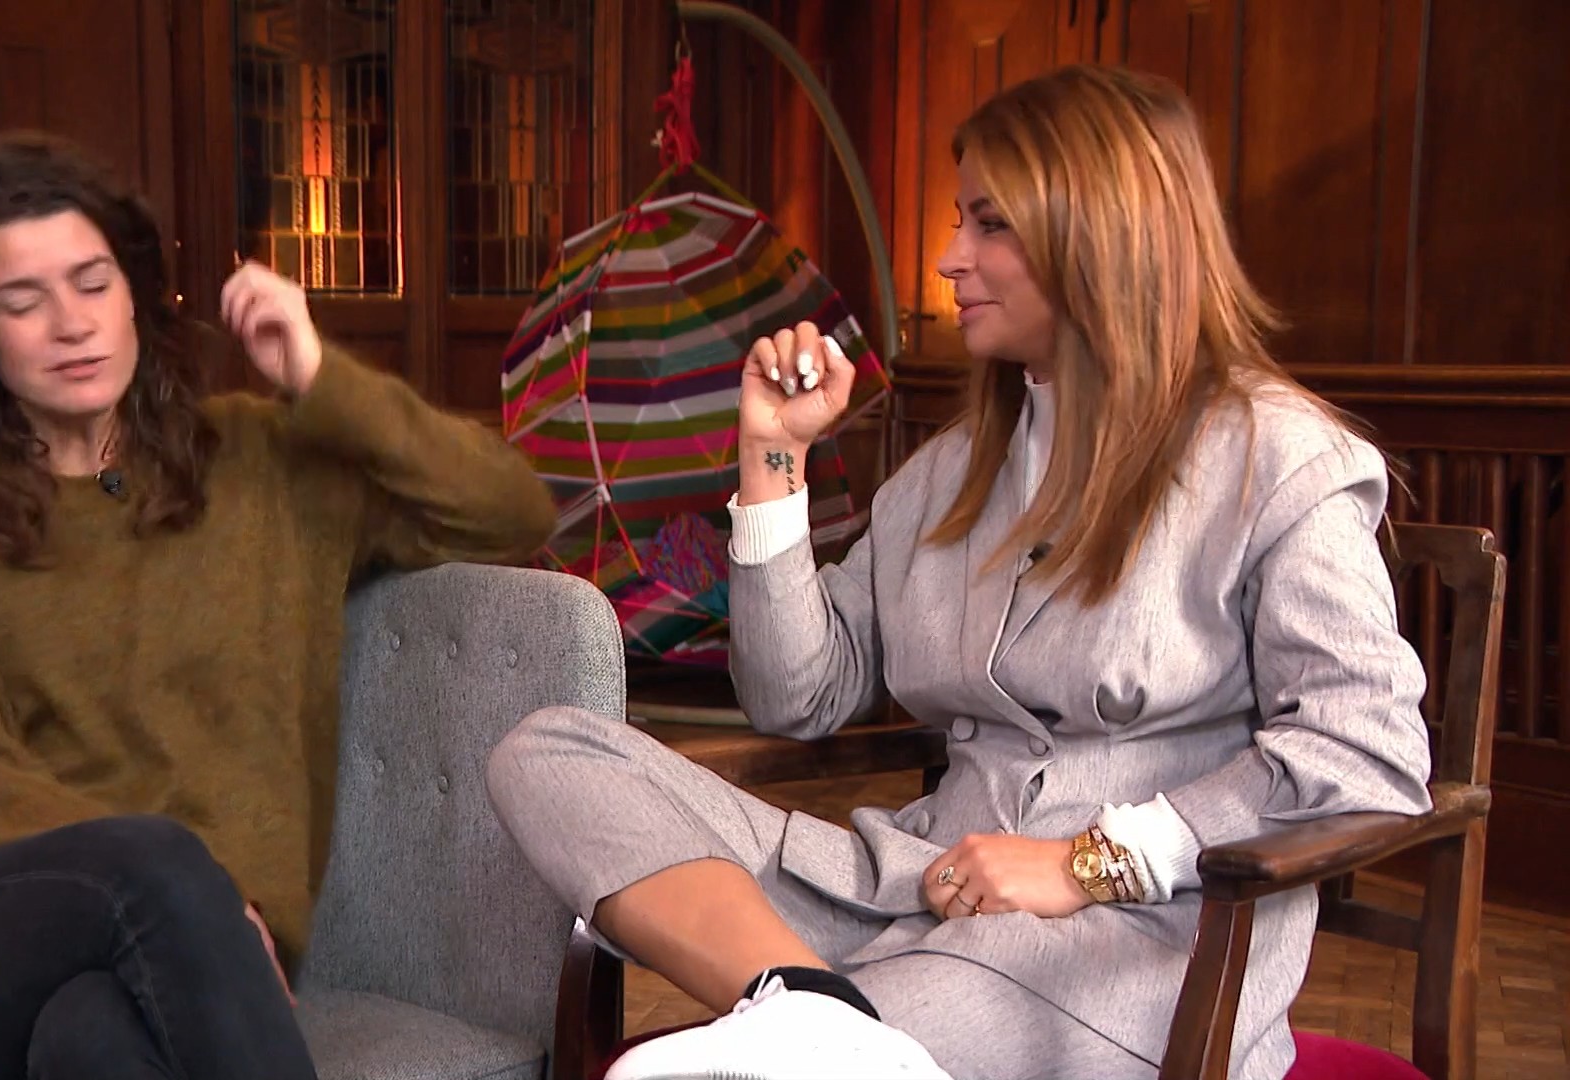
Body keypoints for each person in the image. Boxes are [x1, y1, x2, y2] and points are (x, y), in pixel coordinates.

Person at [485, 63, 1433, 1080]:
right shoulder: (947, 475)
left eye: (990, 224)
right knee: (550, 752)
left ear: (1100, 234)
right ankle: (816, 1012)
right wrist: (773, 455)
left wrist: (1089, 864)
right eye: (958, 222)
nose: (948, 259)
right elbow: (797, 694)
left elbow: (1369, 750)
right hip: (913, 890)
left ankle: (823, 1032)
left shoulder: (1279, 459)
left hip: (1127, 956)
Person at [0, 130, 556, 1080]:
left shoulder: (259, 464)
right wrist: (193, 896)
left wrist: (318, 376)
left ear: (135, 291)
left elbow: (510, 511)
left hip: (168, 955)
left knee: (94, 1040)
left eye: (93, 283)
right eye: (23, 301)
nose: (72, 323)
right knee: (156, 869)